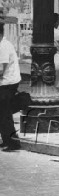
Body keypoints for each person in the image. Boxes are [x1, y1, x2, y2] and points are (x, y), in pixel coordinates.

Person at [0, 19, 21, 151]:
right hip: (7, 82)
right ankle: (7, 140)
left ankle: (13, 143)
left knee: (4, 114)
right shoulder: (3, 44)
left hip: (7, 84)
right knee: (3, 113)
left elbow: (1, 69)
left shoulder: (3, 46)